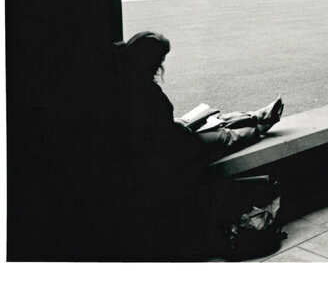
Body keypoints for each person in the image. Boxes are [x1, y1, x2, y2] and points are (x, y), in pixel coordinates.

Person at [118, 31, 284, 260]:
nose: (161, 65)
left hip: (168, 137)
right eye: (160, 59)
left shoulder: (124, 83)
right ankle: (260, 126)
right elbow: (160, 135)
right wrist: (181, 131)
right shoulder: (147, 90)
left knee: (214, 119)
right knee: (224, 136)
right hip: (172, 148)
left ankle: (256, 116)